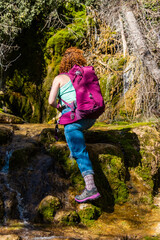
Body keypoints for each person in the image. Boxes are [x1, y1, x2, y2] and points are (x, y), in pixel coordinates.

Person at [48, 47, 100, 203]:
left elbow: (51, 101)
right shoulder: (84, 75)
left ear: (64, 63)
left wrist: (59, 108)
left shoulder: (59, 78)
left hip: (73, 121)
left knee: (78, 149)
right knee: (77, 128)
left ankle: (90, 188)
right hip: (90, 118)